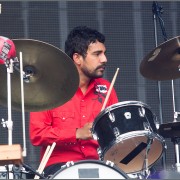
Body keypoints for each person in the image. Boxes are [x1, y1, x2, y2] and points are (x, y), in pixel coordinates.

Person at [29, 26, 119, 178]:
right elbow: (37, 134)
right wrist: (76, 133)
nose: (104, 59)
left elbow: (117, 135)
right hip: (58, 169)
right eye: (97, 54)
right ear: (77, 58)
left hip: (100, 165)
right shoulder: (47, 89)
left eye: (104, 53)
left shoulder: (106, 88)